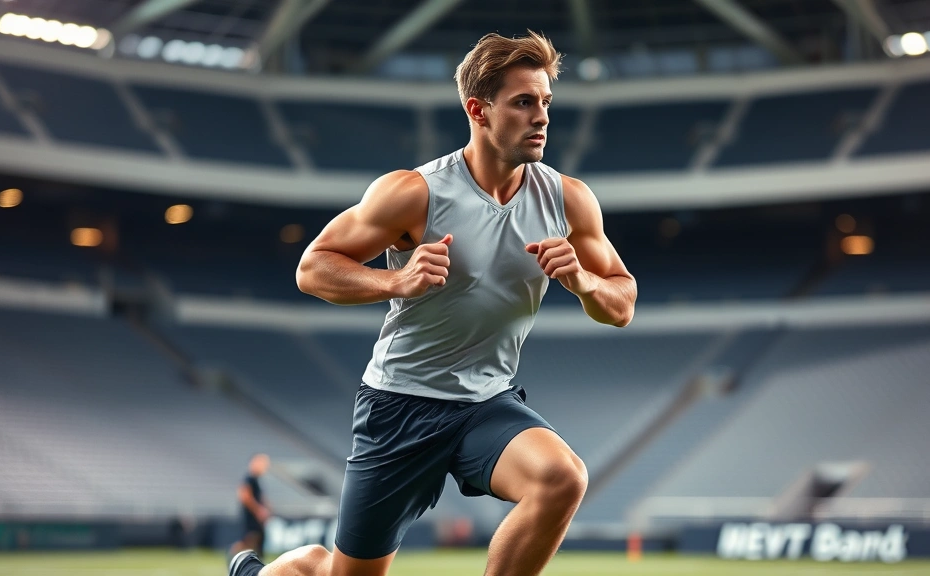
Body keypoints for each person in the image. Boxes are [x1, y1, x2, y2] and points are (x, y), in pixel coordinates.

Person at [229, 30, 636, 576]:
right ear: (478, 109)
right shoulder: (414, 193)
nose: (541, 116)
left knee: (562, 477)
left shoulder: (568, 200)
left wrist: (585, 283)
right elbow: (313, 267)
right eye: (523, 102)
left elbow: (623, 301)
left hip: (485, 403)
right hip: (400, 406)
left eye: (546, 102)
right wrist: (394, 283)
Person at [230, 453, 272, 558]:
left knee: (255, 539)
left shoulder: (256, 479)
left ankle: (255, 560)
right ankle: (232, 558)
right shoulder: (249, 478)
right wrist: (258, 510)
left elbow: (260, 496)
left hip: (254, 515)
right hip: (250, 515)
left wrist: (267, 508)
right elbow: (244, 496)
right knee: (248, 539)